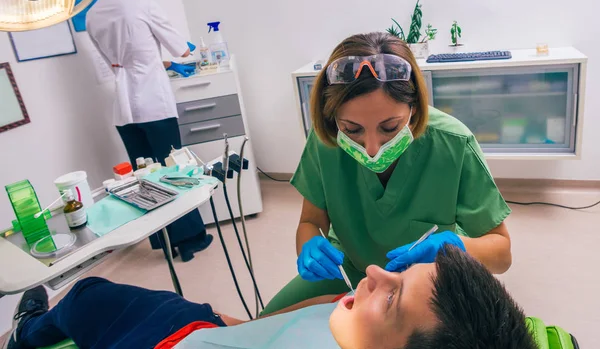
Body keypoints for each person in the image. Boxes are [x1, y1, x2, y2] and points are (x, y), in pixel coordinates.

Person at [263, 32, 513, 314]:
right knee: (265, 327)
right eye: (352, 129)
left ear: (414, 108)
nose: (371, 149)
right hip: (348, 269)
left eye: (390, 127)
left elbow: (502, 255)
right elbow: (310, 221)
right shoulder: (327, 141)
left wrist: (453, 250)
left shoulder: (453, 144)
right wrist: (308, 245)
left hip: (425, 279)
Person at [3, 246, 536, 349]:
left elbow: (501, 246)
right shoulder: (352, 316)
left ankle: (26, 334)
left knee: (85, 295)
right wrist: (234, 325)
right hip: (213, 329)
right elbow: (314, 309)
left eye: (392, 298)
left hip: (165, 341)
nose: (374, 271)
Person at [86, 0, 211, 262]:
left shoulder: (92, 16)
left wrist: (160, 62)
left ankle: (165, 242)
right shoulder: (141, 6)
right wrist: (183, 52)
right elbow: (181, 49)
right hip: (153, 102)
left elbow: (119, 63)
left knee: (144, 177)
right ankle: (191, 240)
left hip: (124, 107)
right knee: (174, 171)